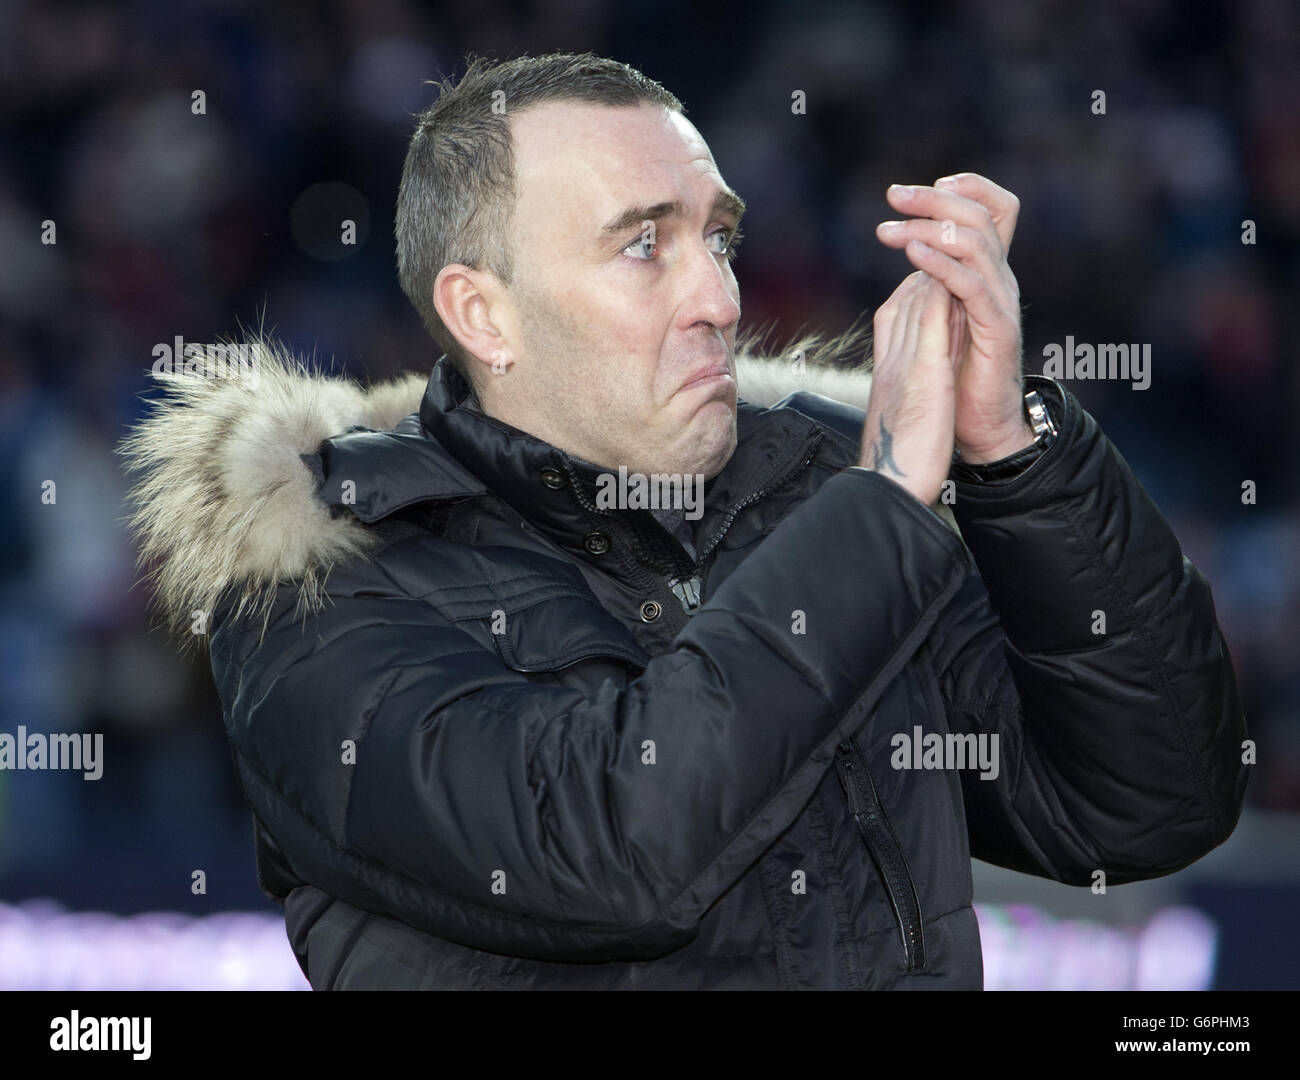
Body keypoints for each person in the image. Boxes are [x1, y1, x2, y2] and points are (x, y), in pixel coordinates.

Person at [120, 52, 1248, 990]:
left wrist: (1018, 455)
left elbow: (1145, 808)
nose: (718, 296)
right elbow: (616, 857)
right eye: (643, 243)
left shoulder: (818, 501)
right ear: (484, 313)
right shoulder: (321, 584)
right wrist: (883, 501)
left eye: (717, 237)